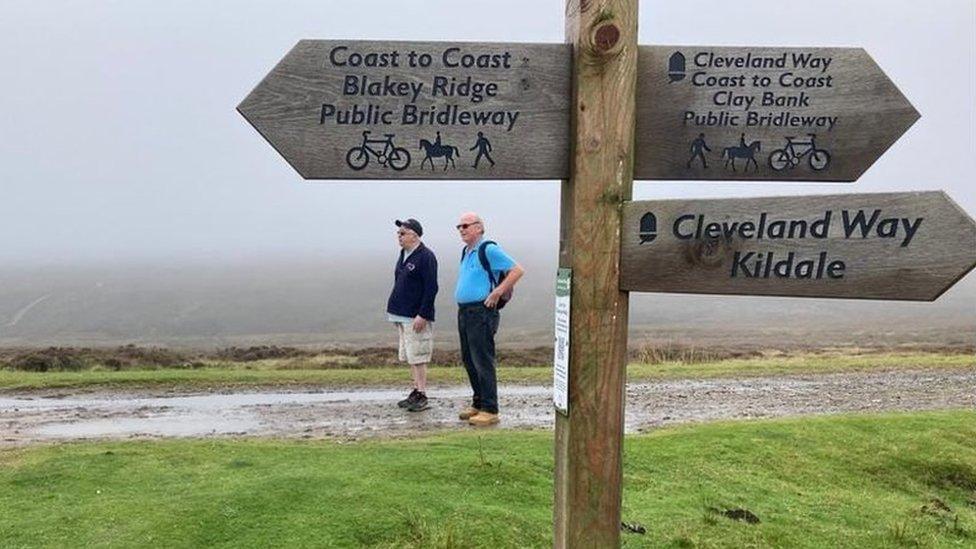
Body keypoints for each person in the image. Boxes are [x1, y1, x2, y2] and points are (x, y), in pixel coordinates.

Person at [454, 212, 524, 426]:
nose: (462, 230)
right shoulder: (466, 251)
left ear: (478, 228)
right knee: (469, 359)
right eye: (459, 226)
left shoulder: (488, 249)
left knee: (482, 359)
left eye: (466, 225)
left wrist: (497, 292)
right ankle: (478, 403)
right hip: (465, 311)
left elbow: (517, 270)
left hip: (481, 311)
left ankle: (490, 409)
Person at [387, 218, 438, 412]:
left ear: (415, 235)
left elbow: (431, 287)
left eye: (403, 233)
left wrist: (423, 314)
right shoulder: (403, 254)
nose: (399, 237)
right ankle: (415, 390)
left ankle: (422, 393)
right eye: (398, 233)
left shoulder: (426, 256)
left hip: (415, 315)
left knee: (419, 355)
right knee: (410, 356)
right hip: (401, 314)